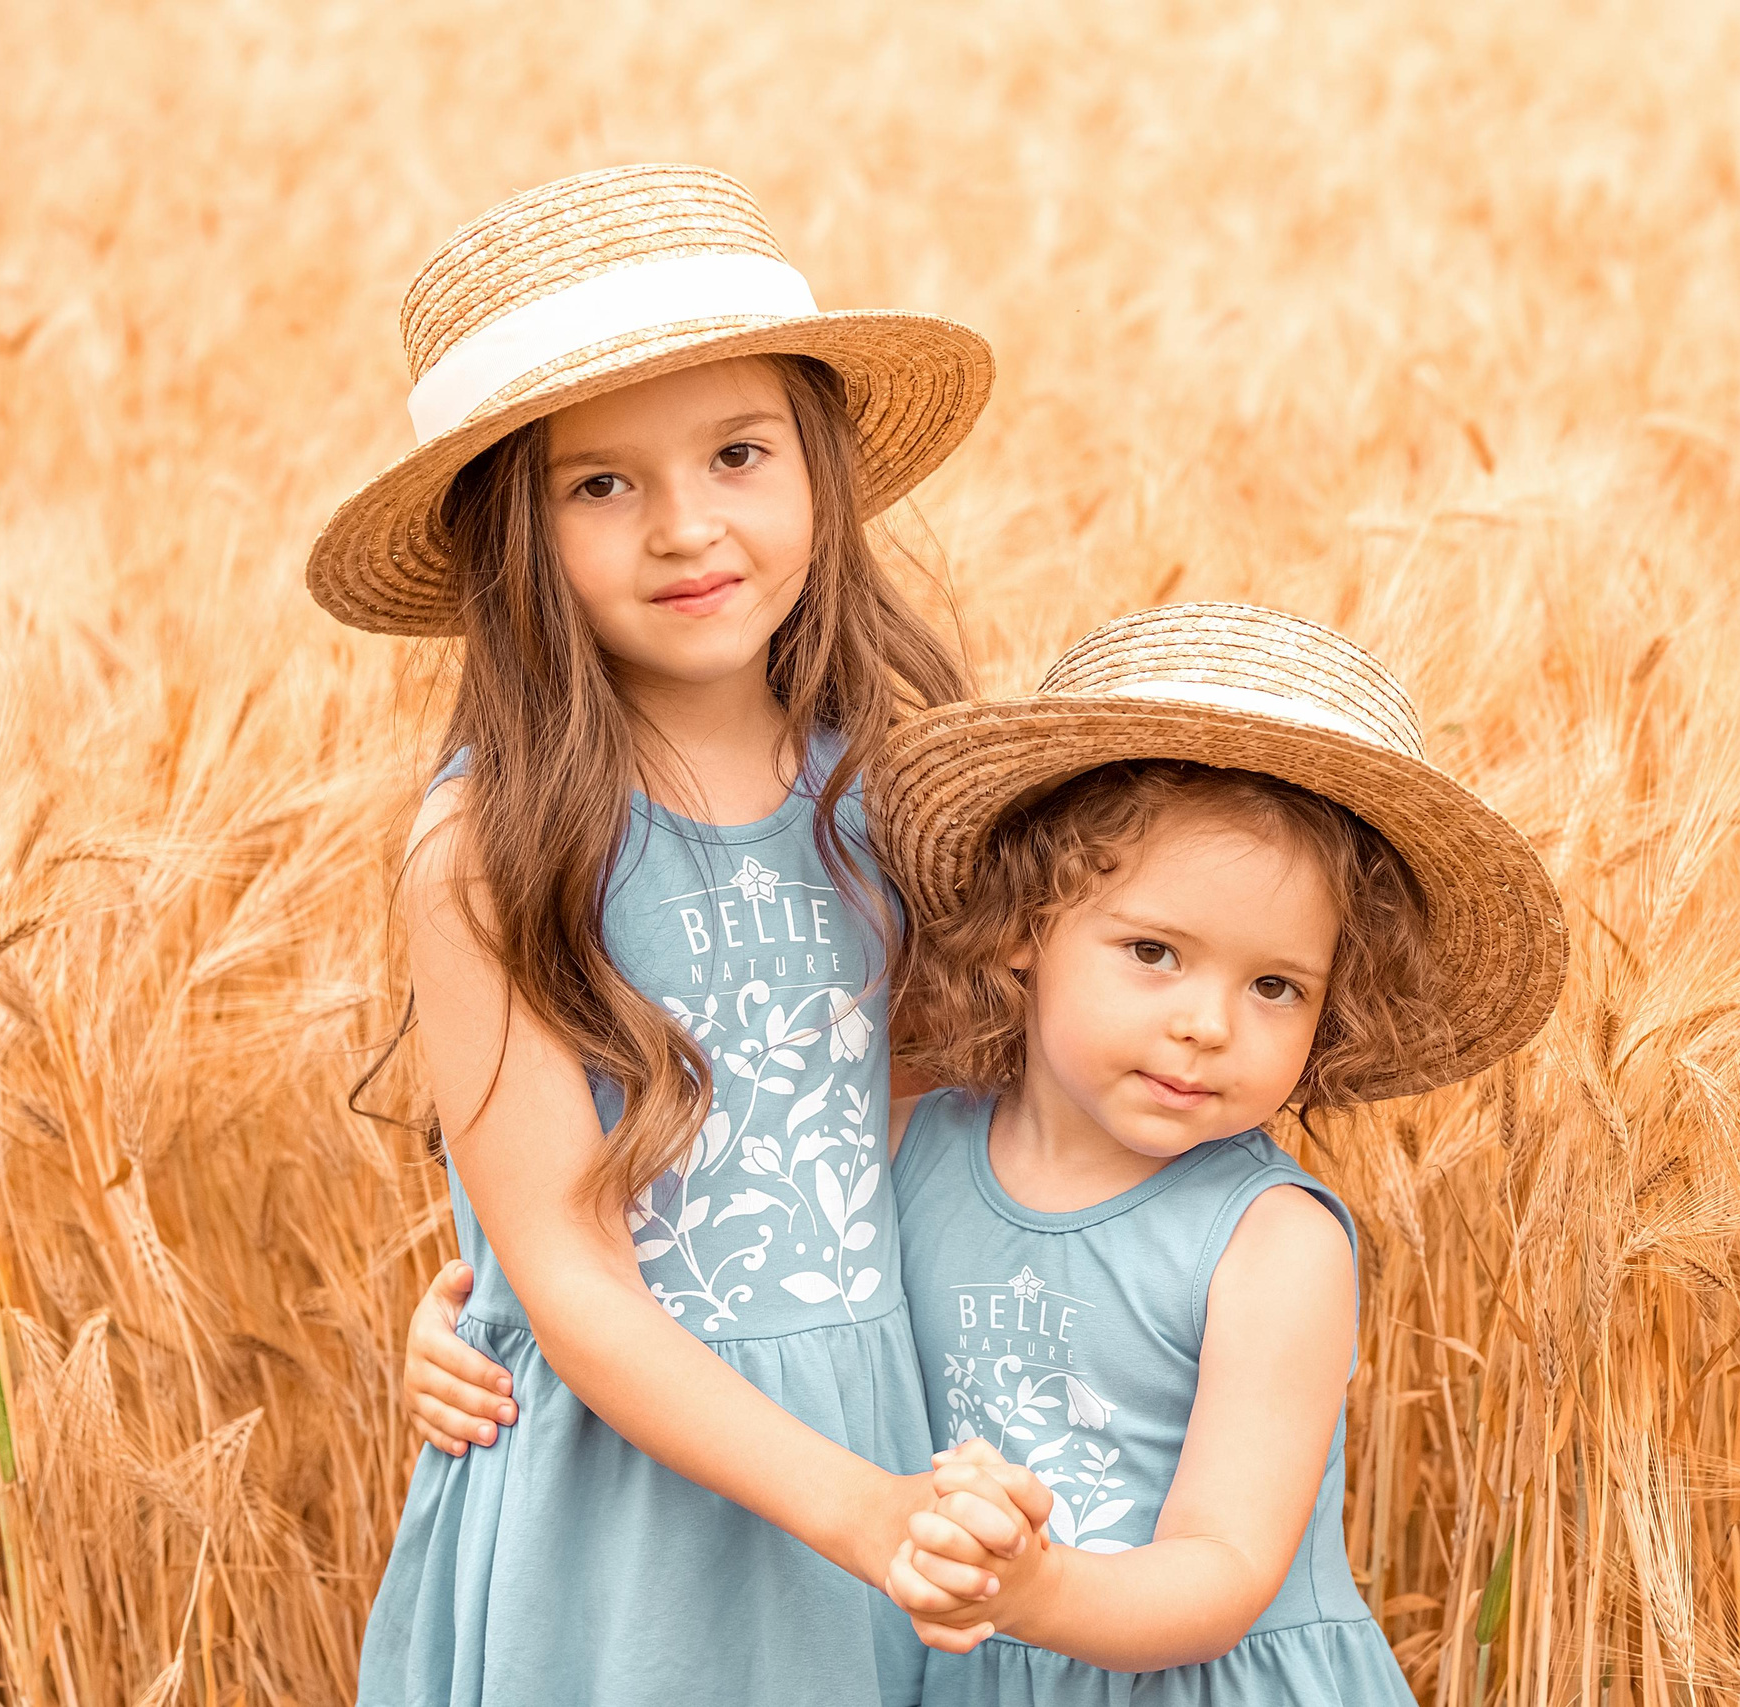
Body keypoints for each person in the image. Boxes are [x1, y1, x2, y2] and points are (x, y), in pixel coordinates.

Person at [406, 604, 1570, 1701]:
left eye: (1276, 986)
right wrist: (499, 1319)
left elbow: (1222, 1570)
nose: (1207, 1022)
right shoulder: (914, 1150)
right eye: (1154, 952)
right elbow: (737, 1234)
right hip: (958, 1659)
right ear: (1024, 929)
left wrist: (1037, 1588)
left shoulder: (1274, 1245)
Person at [313, 162, 1044, 1707]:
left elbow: (991, 1120)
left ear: (821, 469)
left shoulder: (904, 789)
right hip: (628, 1510)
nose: (685, 527)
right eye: (601, 484)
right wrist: (489, 1297)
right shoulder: (491, 848)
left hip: (890, 1439)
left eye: (737, 452)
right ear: (517, 531)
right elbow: (568, 1268)